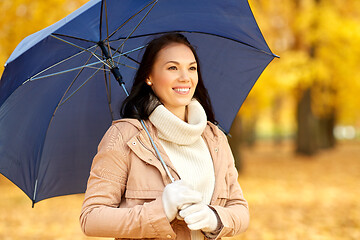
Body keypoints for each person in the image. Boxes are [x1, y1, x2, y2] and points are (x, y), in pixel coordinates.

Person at [80, 33, 249, 240]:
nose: (185, 77)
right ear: (149, 76)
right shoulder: (125, 137)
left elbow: (239, 208)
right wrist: (161, 210)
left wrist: (214, 218)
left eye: (192, 68)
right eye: (172, 68)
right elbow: (91, 218)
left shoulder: (215, 138)